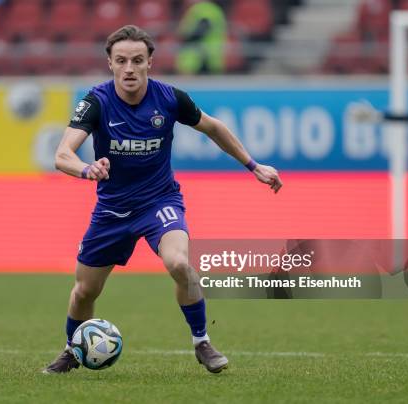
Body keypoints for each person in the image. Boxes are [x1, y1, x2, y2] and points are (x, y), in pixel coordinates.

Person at [43, 25, 282, 374]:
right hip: (111, 210)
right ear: (109, 64)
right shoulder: (95, 102)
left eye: (137, 60)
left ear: (149, 63)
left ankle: (202, 343)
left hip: (159, 201)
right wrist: (87, 169)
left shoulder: (170, 98)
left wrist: (253, 165)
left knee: (180, 264)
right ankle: (70, 350)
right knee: (84, 291)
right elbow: (62, 154)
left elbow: (213, 127)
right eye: (121, 60)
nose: (129, 69)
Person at [176, 1, 227, 75]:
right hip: (208, 58)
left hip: (200, 60)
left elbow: (201, 31)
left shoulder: (205, 9)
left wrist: (184, 37)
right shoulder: (211, 9)